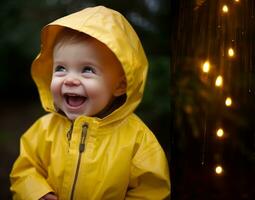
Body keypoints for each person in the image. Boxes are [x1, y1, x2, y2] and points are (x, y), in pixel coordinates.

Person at [10, 6, 170, 200]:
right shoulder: (44, 130)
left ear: (120, 85)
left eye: (87, 69)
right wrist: (36, 193)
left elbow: (151, 192)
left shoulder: (139, 142)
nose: (70, 79)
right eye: (61, 68)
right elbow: (24, 170)